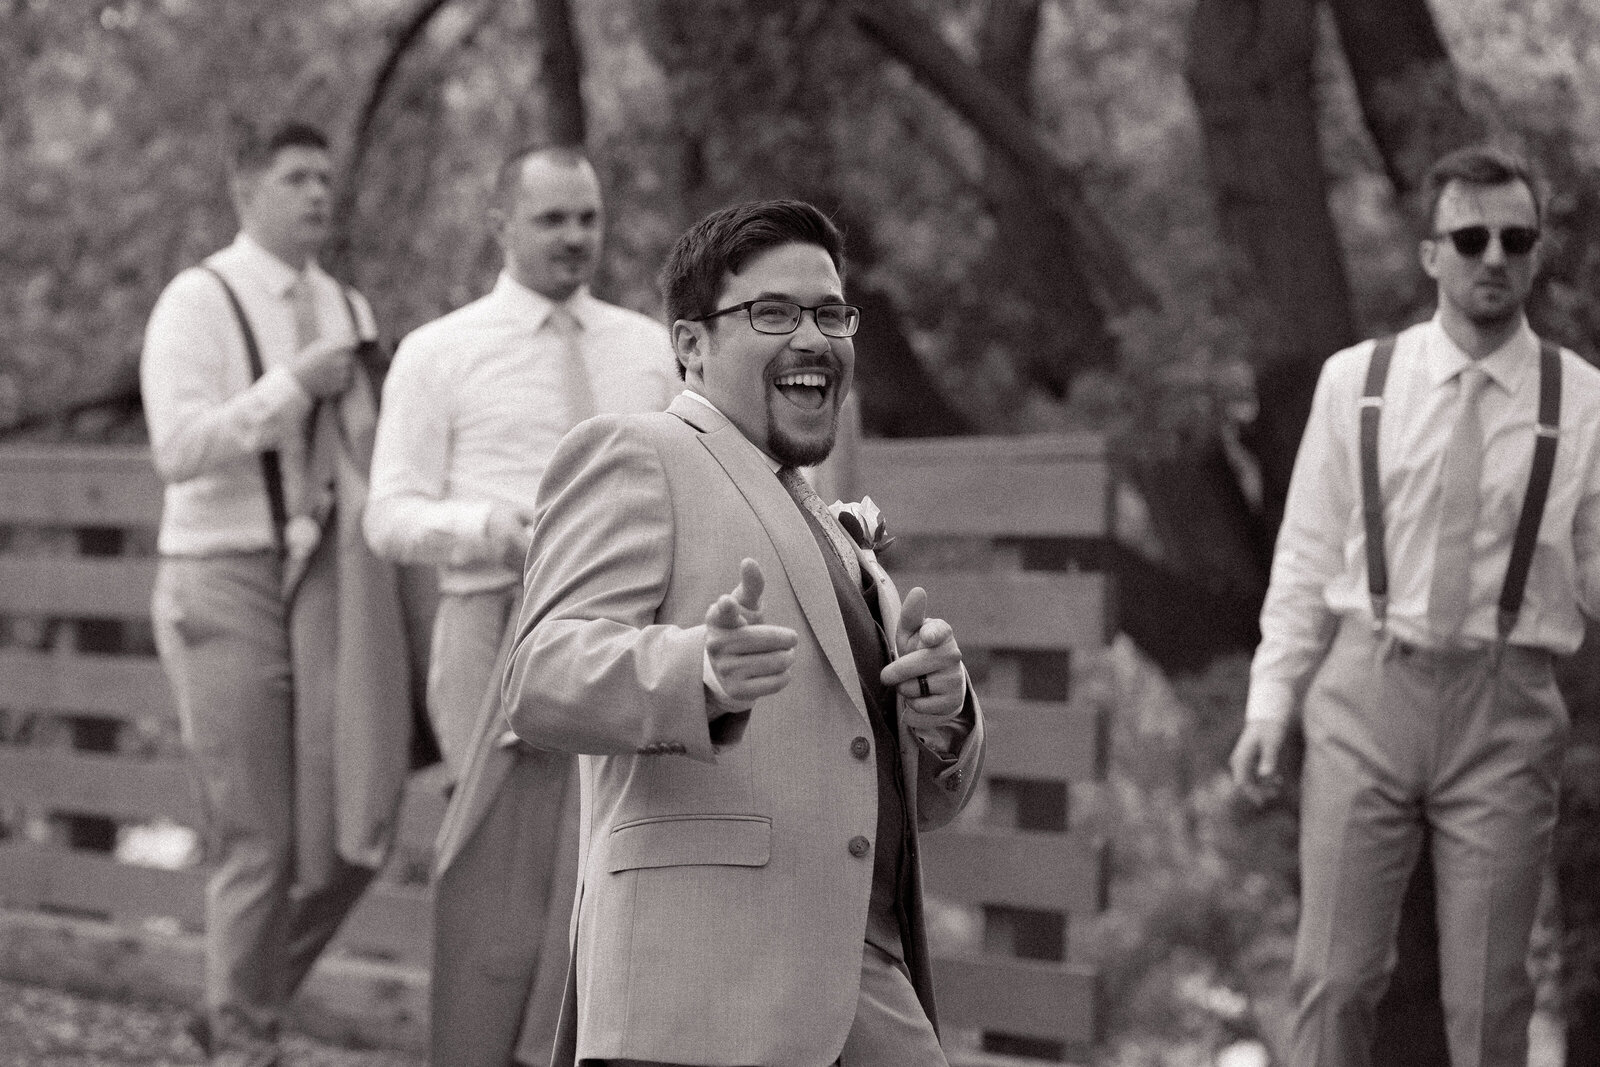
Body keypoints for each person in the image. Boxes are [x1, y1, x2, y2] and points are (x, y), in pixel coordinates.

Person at [500, 198, 986, 1067]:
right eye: (772, 312)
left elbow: (896, 785)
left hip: (863, 981)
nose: (813, 337)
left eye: (831, 314)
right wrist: (699, 673)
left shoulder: (829, 517)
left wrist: (942, 712)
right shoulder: (637, 452)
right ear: (689, 345)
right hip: (700, 993)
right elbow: (538, 677)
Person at [1229, 143, 1600, 1067]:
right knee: (1335, 977)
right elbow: (1307, 552)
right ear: (1431, 251)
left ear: (1536, 251)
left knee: (1489, 1001)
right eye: (1470, 236)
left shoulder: (1585, 400)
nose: (1493, 257)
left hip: (1506, 704)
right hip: (1369, 690)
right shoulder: (1358, 382)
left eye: (1515, 238)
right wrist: (1271, 702)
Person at [364, 146, 676, 1067]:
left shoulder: (648, 349)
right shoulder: (438, 352)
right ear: (499, 223)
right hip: (488, 629)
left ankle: (573, 1051)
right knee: (499, 874)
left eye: (588, 217)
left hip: (624, 631)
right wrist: (489, 529)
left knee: (607, 859)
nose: (576, 236)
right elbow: (388, 515)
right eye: (552, 219)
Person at [142, 121, 414, 1067]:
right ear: (245, 186)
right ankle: (243, 1044)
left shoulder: (347, 303)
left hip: (334, 580)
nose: (317, 195)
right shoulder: (198, 300)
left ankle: (230, 1010)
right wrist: (289, 386)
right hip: (222, 576)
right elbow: (175, 450)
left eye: (326, 180)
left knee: (355, 826)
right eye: (297, 177)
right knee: (256, 836)